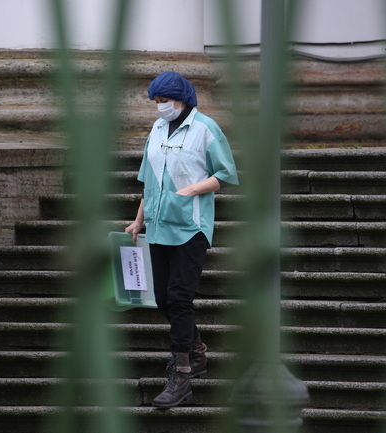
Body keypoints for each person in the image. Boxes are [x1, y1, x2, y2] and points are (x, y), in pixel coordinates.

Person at [125, 71, 238, 408]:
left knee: (178, 297)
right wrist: (138, 220)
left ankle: (181, 374)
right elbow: (149, 179)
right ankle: (197, 350)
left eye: (165, 101)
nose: (160, 107)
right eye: (156, 102)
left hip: (191, 227)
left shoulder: (205, 128)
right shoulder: (158, 128)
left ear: (182, 99)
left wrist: (193, 189)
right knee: (162, 297)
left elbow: (225, 174)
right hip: (158, 226)